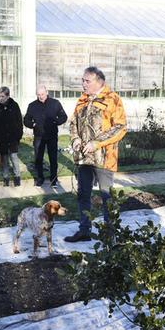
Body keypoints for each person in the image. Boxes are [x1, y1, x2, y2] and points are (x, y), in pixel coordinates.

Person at [64, 66, 127, 243]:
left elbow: (120, 127)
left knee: (107, 196)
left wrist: (97, 143)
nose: (83, 84)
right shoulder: (82, 100)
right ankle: (84, 230)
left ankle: (110, 234)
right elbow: (73, 123)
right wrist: (75, 139)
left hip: (104, 158)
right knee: (83, 194)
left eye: (86, 81)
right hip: (84, 158)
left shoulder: (112, 99)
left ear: (98, 81)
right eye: (82, 80)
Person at [23, 84, 67, 187]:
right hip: (39, 136)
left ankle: (54, 180)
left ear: (46, 92)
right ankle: (40, 179)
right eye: (38, 95)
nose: (40, 96)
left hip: (52, 135)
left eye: (42, 94)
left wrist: (56, 122)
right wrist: (33, 124)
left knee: (53, 158)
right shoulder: (32, 105)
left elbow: (63, 116)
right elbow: (26, 120)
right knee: (38, 159)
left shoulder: (55, 103)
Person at [0, 86, 23, 187]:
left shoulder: (14, 105)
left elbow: (19, 122)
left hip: (13, 137)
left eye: (3, 96)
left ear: (8, 96)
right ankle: (6, 178)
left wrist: (18, 136)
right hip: (1, 138)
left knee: (14, 158)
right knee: (4, 159)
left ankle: (17, 177)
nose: (0, 98)